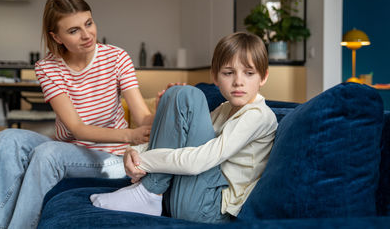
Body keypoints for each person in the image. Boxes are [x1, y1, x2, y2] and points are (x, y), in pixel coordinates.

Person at [0, 0, 154, 229]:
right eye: (74, 30)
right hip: (70, 149)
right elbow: (77, 129)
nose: (87, 35)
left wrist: (164, 106)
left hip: (112, 159)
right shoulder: (47, 67)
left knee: (48, 154)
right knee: (6, 139)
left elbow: (142, 117)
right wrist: (130, 134)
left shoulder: (117, 58)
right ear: (56, 37)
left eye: (88, 23)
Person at [90, 32, 278, 224]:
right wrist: (133, 152)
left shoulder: (258, 116)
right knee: (176, 93)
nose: (239, 81)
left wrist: (144, 161)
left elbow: (198, 161)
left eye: (249, 73)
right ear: (215, 77)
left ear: (263, 77)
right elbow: (182, 140)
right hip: (187, 197)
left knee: (189, 96)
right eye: (228, 73)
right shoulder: (225, 109)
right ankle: (150, 194)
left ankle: (149, 192)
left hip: (211, 209)